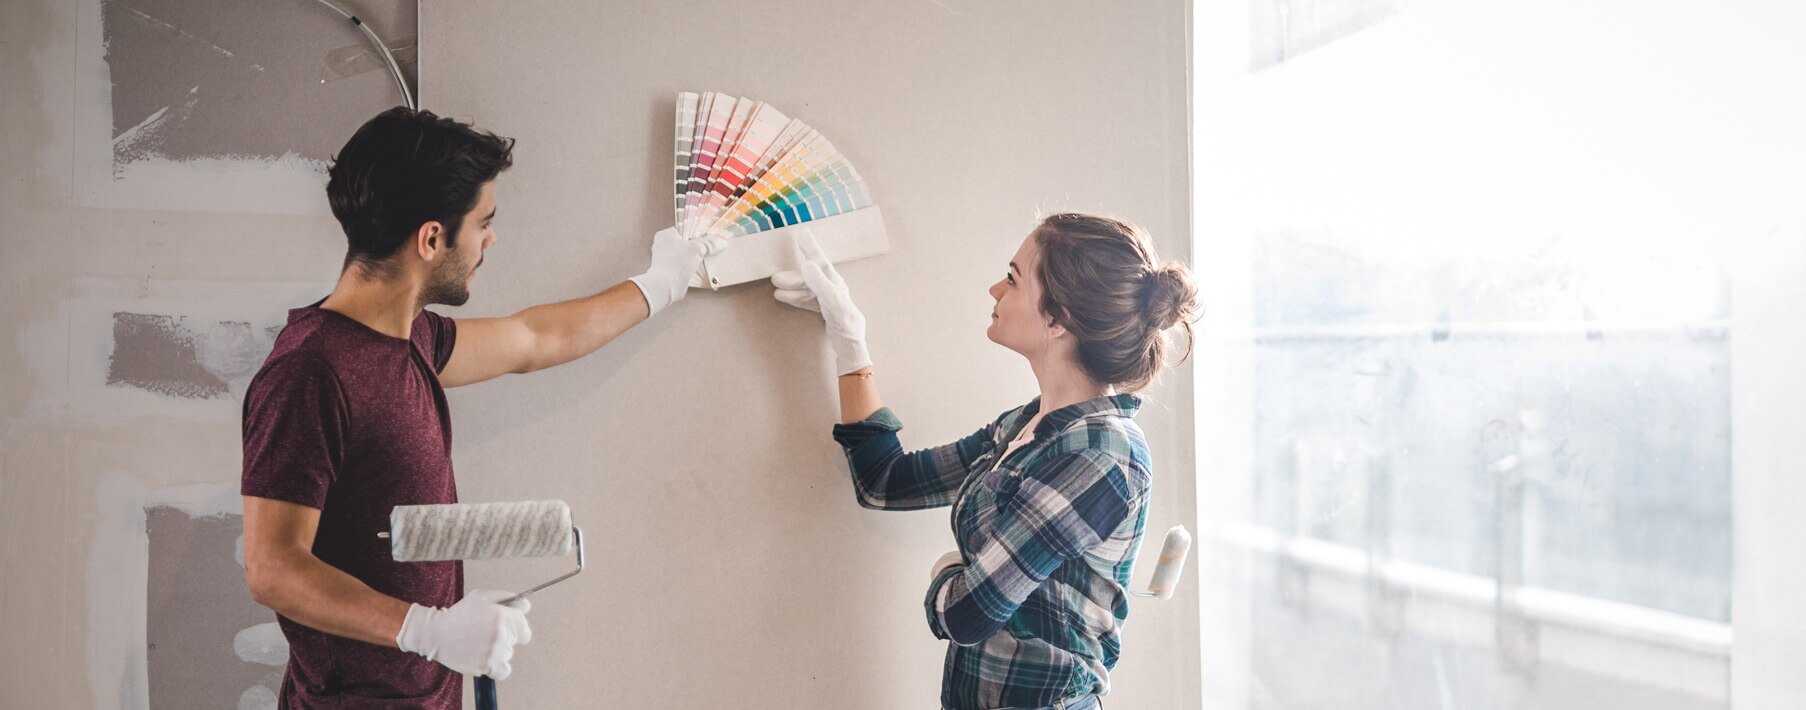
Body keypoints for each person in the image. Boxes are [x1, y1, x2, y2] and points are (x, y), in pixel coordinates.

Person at [239, 107, 719, 708]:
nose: (491, 239)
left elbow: (533, 339)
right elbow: (273, 565)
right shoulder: (311, 371)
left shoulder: (409, 337)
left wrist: (661, 283)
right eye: (483, 223)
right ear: (432, 238)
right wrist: (427, 629)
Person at [773, 212, 1199, 710]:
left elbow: (968, 614)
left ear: (1058, 318)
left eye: (1014, 279)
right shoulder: (1022, 428)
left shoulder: (1104, 455)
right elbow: (883, 482)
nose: (995, 289)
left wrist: (944, 571)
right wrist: (849, 338)